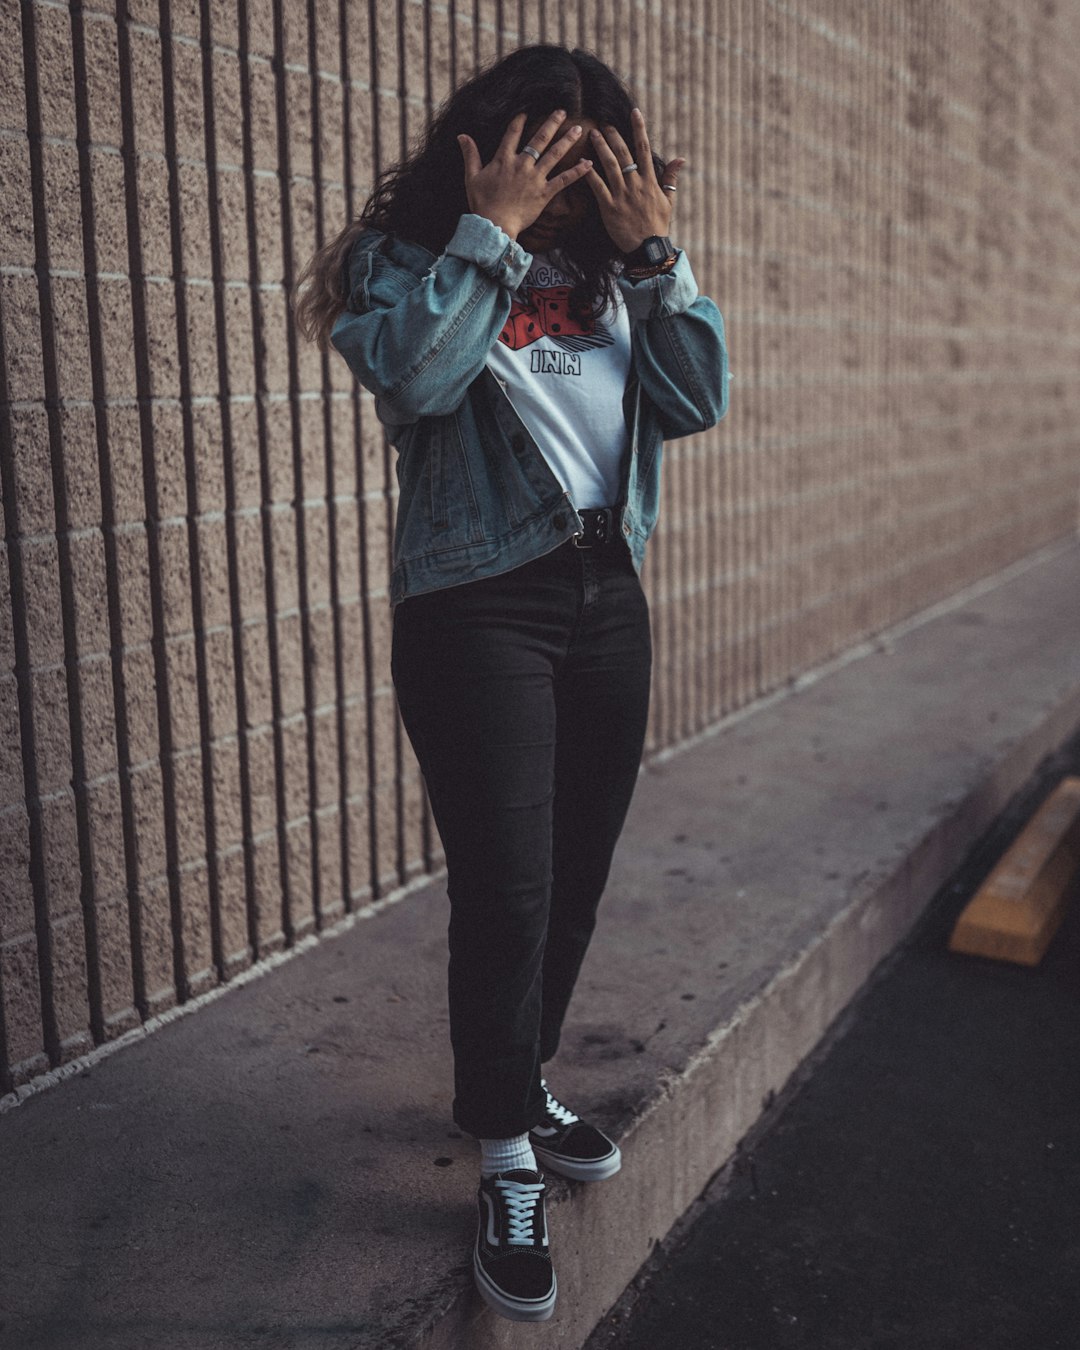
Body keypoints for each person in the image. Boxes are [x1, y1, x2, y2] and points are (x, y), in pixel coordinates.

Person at [293, 43, 729, 1324]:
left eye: (594, 155)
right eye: (547, 149)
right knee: (511, 880)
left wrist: (657, 254)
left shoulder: (616, 269)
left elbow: (696, 399)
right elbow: (418, 379)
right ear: (483, 145)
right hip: (481, 599)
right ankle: (501, 1156)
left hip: (608, 594)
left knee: (578, 869)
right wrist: (489, 233)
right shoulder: (404, 266)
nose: (573, 176)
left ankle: (519, 1075)